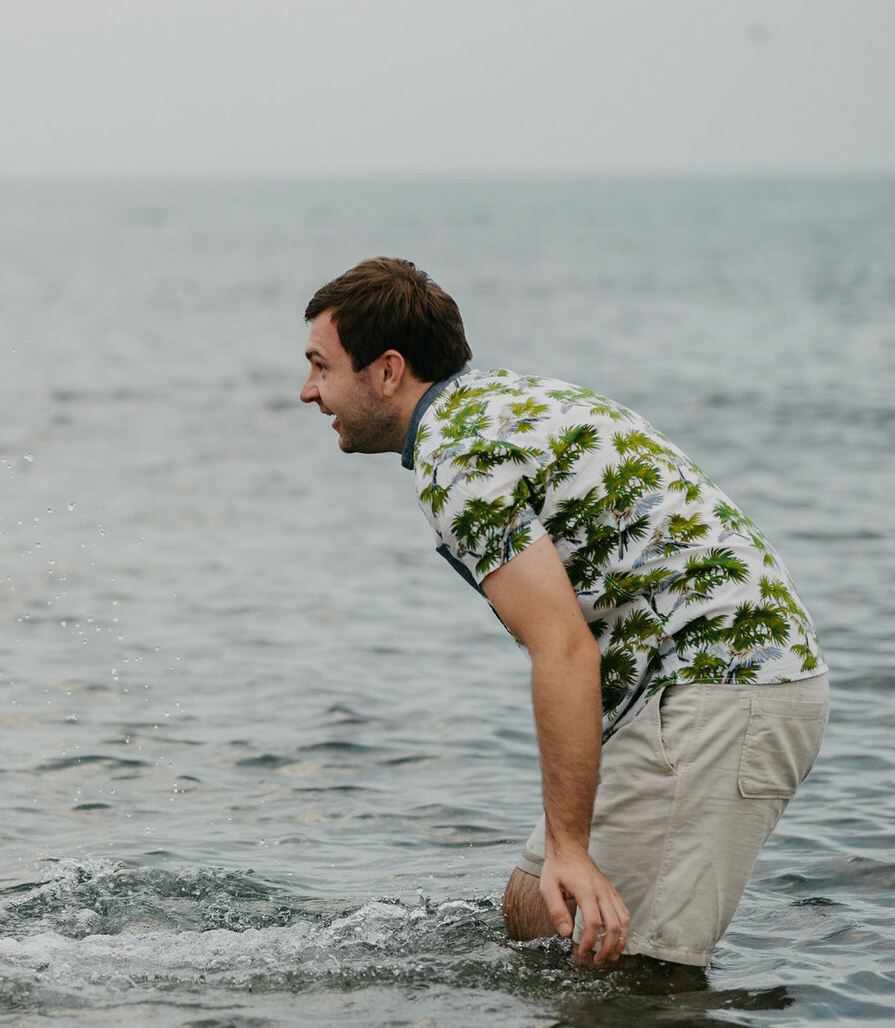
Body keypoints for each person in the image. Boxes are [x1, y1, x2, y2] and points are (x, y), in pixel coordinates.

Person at [299, 257, 828, 968]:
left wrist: (573, 848)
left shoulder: (456, 455)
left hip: (723, 690)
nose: (308, 392)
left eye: (321, 366)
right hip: (688, 683)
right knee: (532, 904)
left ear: (387, 370)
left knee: (634, 975)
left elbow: (564, 648)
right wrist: (561, 850)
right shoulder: (488, 405)